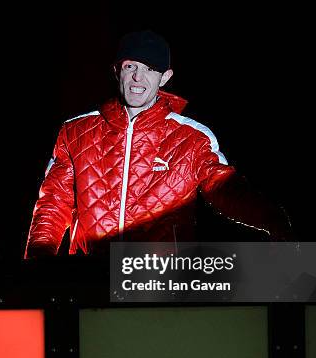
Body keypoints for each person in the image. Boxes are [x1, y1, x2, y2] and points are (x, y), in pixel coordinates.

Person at [25, 30, 292, 258]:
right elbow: (53, 202)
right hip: (93, 278)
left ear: (164, 77)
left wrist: (271, 218)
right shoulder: (76, 131)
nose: (138, 77)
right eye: (131, 66)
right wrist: (39, 264)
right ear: (118, 70)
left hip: (161, 280)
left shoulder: (191, 137)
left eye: (150, 69)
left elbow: (224, 188)